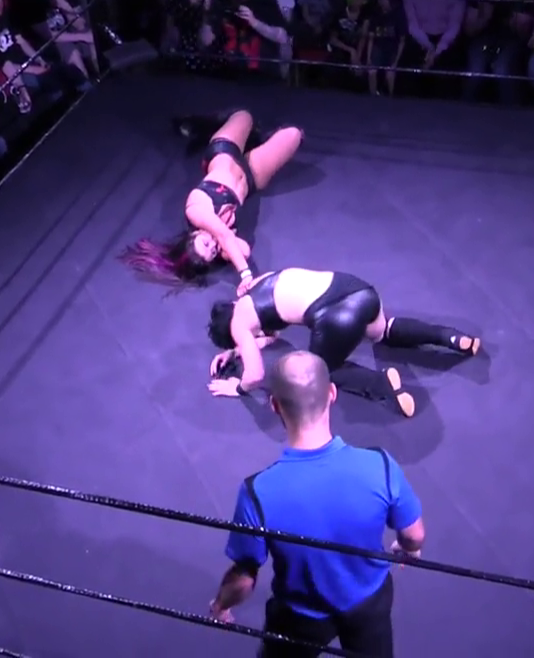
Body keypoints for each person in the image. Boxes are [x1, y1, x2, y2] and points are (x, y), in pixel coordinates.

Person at [209, 351, 424, 658]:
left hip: (299, 615)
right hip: (369, 603)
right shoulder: (380, 464)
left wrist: (220, 605)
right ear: (332, 393)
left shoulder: (257, 492)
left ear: (274, 405)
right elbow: (414, 535)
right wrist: (408, 548)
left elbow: (244, 577)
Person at [206, 269, 481, 417]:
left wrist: (237, 388)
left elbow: (255, 376)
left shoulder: (239, 325)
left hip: (338, 316)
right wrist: (238, 350)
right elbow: (272, 330)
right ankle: (448, 337)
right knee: (383, 331)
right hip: (356, 289)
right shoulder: (258, 284)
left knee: (320, 371)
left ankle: (382, 384)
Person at [119, 109, 302, 289]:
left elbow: (224, 235)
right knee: (294, 134)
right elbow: (244, 250)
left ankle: (204, 124)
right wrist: (224, 251)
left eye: (206, 243)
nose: (213, 244)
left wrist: (246, 275)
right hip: (250, 176)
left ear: (193, 235)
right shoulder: (224, 245)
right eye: (213, 251)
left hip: (224, 151)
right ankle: (255, 143)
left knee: (245, 116)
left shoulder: (195, 211)